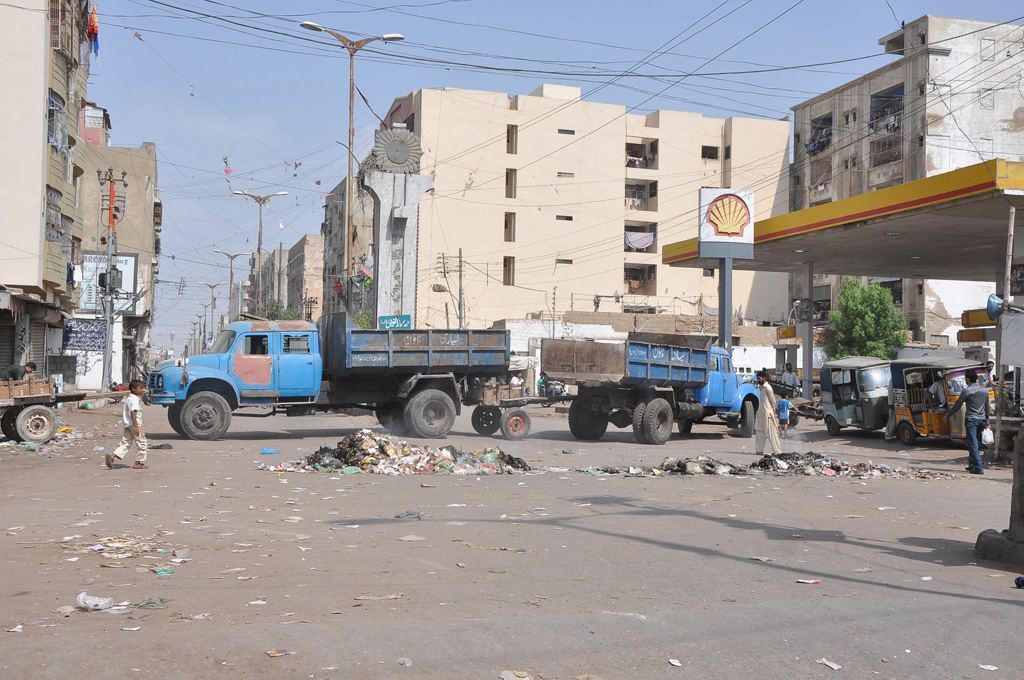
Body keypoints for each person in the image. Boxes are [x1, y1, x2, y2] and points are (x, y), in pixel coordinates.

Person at [944, 368, 989, 475]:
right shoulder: (984, 390)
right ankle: (972, 465)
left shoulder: (967, 391)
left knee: (972, 443)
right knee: (973, 442)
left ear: (968, 379)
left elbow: (957, 405)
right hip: (982, 420)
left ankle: (978, 467)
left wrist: (947, 415)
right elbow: (987, 407)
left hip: (972, 420)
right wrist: (987, 420)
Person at [106, 380, 148, 470]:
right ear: (133, 389)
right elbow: (133, 412)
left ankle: (112, 456)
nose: (142, 390)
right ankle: (138, 462)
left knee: (126, 443)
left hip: (127, 424)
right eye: (140, 388)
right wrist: (136, 427)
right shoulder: (135, 400)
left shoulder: (129, 398)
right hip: (135, 424)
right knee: (142, 442)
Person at [755, 371, 783, 455]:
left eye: (759, 379)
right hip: (761, 414)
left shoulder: (768, 388)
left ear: (764, 378)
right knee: (759, 432)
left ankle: (778, 452)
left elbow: (773, 400)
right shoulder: (761, 388)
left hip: (768, 414)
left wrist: (774, 410)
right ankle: (759, 450)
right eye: (757, 378)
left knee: (772, 433)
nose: (758, 380)